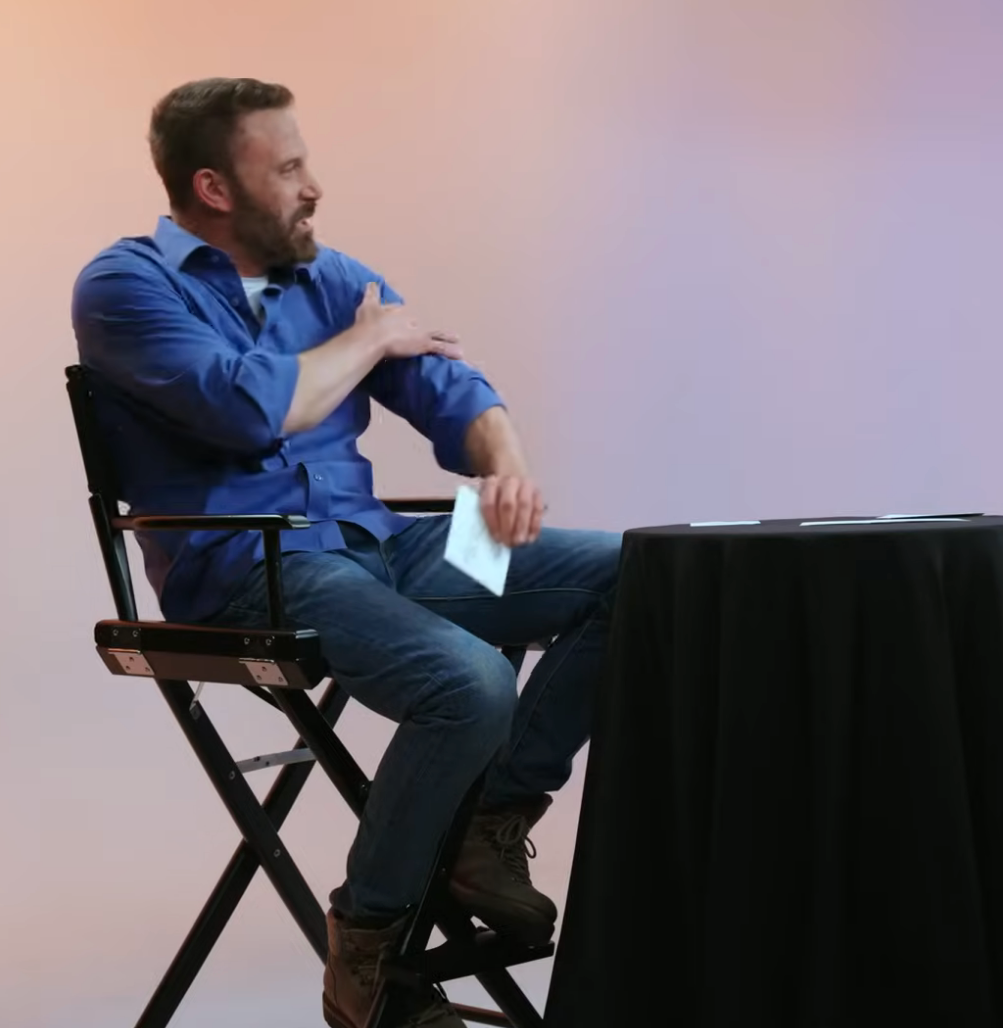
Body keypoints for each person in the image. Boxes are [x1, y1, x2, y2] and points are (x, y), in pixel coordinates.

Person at [71, 77, 621, 1028]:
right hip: (253, 571)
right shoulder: (126, 286)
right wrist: (369, 340)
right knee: (467, 684)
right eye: (286, 167)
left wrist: (505, 470)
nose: (312, 185)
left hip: (384, 548)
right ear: (213, 187)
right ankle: (368, 950)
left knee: (634, 574)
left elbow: (453, 389)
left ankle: (490, 822)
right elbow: (249, 408)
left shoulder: (327, 278)